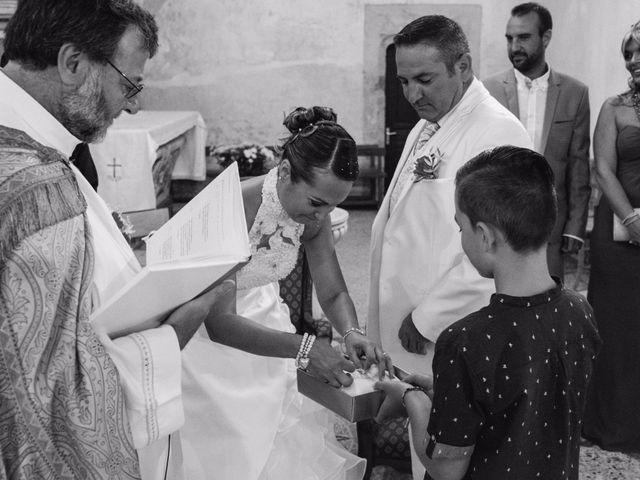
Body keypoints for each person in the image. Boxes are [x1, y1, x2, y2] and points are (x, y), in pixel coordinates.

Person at [0, 1, 232, 478]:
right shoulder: (35, 191)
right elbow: (52, 409)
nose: (133, 105)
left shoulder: (39, 147)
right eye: (128, 83)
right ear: (72, 63)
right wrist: (181, 324)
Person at [178, 106, 390, 480]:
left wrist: (352, 331)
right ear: (287, 172)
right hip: (208, 341)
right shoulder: (232, 205)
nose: (322, 216)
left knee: (283, 443)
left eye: (333, 207)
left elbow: (334, 290)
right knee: (232, 452)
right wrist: (306, 349)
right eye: (317, 204)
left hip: (266, 323)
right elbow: (220, 324)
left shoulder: (313, 215)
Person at [375, 145, 601, 480]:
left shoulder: (465, 340)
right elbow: (524, 399)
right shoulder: (579, 311)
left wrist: (411, 398)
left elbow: (446, 468)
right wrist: (444, 391)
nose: (462, 237)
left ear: (483, 236)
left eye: (461, 228)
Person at [484, 2, 591, 279]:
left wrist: (575, 227)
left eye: (523, 37)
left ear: (546, 37)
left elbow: (578, 166)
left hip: (551, 228)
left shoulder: (574, 93)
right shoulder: (488, 91)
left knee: (549, 305)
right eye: (510, 38)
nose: (514, 46)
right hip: (500, 224)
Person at [582, 21, 640, 453]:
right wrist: (632, 219)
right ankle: (612, 425)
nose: (633, 60)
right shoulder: (614, 108)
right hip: (618, 233)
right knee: (618, 328)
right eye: (628, 53)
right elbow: (602, 167)